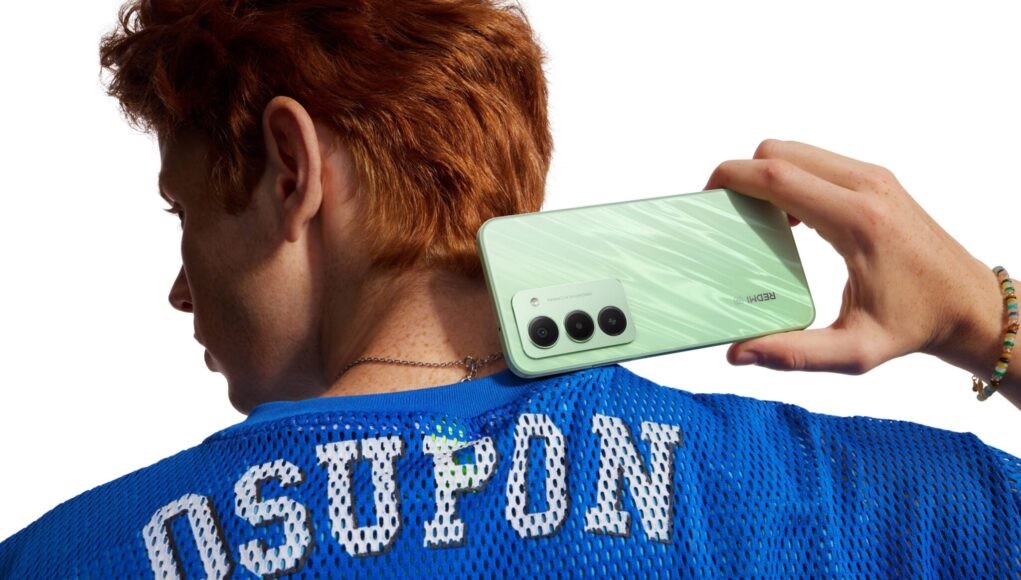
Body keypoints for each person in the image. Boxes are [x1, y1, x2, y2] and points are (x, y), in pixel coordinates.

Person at [1, 0, 1018, 576]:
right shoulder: (826, 500)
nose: (182, 290)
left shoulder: (76, 556)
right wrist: (984, 316)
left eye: (185, 214)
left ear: (289, 169)